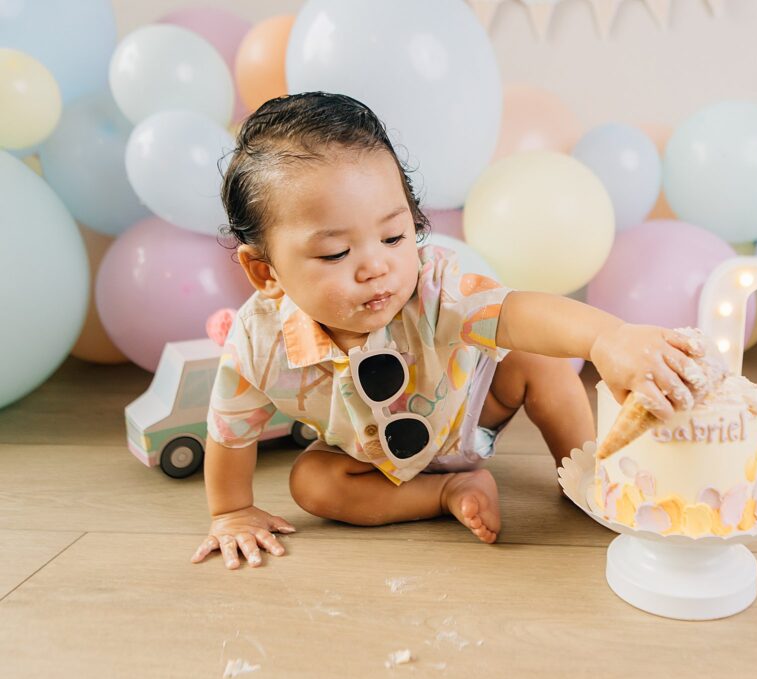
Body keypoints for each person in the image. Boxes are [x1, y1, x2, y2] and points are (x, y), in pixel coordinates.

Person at [191, 92, 708, 570]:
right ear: (265, 272)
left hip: (469, 412)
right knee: (312, 485)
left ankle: (593, 476)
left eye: (394, 235)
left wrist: (605, 338)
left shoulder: (434, 287)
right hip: (369, 462)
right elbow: (231, 432)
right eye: (335, 253)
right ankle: (445, 492)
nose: (376, 266)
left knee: (537, 359)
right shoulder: (259, 342)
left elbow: (517, 312)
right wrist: (232, 511)